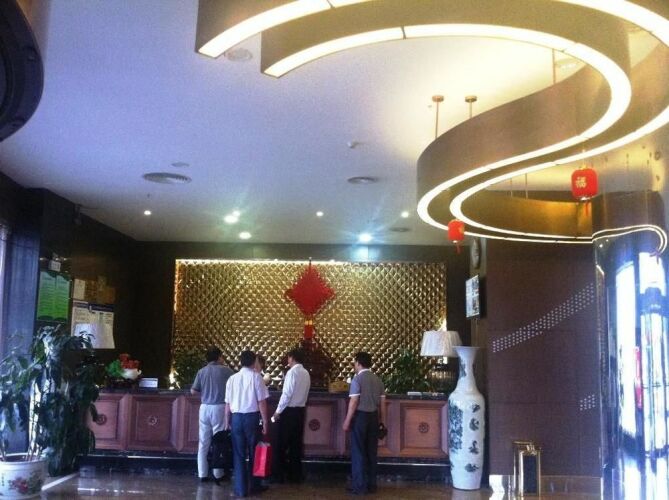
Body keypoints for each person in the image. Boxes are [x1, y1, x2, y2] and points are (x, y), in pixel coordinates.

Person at [225, 350, 270, 497]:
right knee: (253, 452)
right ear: (254, 361)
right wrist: (265, 422)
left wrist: (227, 421)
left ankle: (241, 489)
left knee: (238, 453)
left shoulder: (232, 379)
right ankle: (254, 485)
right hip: (251, 418)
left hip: (236, 418)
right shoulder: (257, 377)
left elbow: (227, 403)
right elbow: (261, 402)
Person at [342, 351, 386, 495]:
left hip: (360, 418)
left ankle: (359, 486)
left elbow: (354, 402)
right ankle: (372, 485)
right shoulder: (378, 380)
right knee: (371, 452)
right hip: (374, 418)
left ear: (358, 363)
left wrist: (347, 421)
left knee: (358, 452)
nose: (354, 365)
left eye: (355, 362)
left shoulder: (357, 380)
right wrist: (382, 422)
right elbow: (383, 404)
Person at [190, 346, 234, 483]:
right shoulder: (227, 371)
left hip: (204, 408)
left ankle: (202, 473)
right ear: (219, 357)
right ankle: (218, 473)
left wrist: (206, 391)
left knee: (203, 442)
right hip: (220, 408)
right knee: (218, 442)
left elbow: (193, 391)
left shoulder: (201, 371)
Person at [272, 348, 310, 483]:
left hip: (289, 412)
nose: (288, 360)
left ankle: (278, 475)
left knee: (281, 444)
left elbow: (286, 394)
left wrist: (277, 411)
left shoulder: (292, 373)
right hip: (300, 411)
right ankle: (295, 475)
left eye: (288, 357)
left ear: (292, 358)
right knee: (296, 445)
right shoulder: (306, 373)